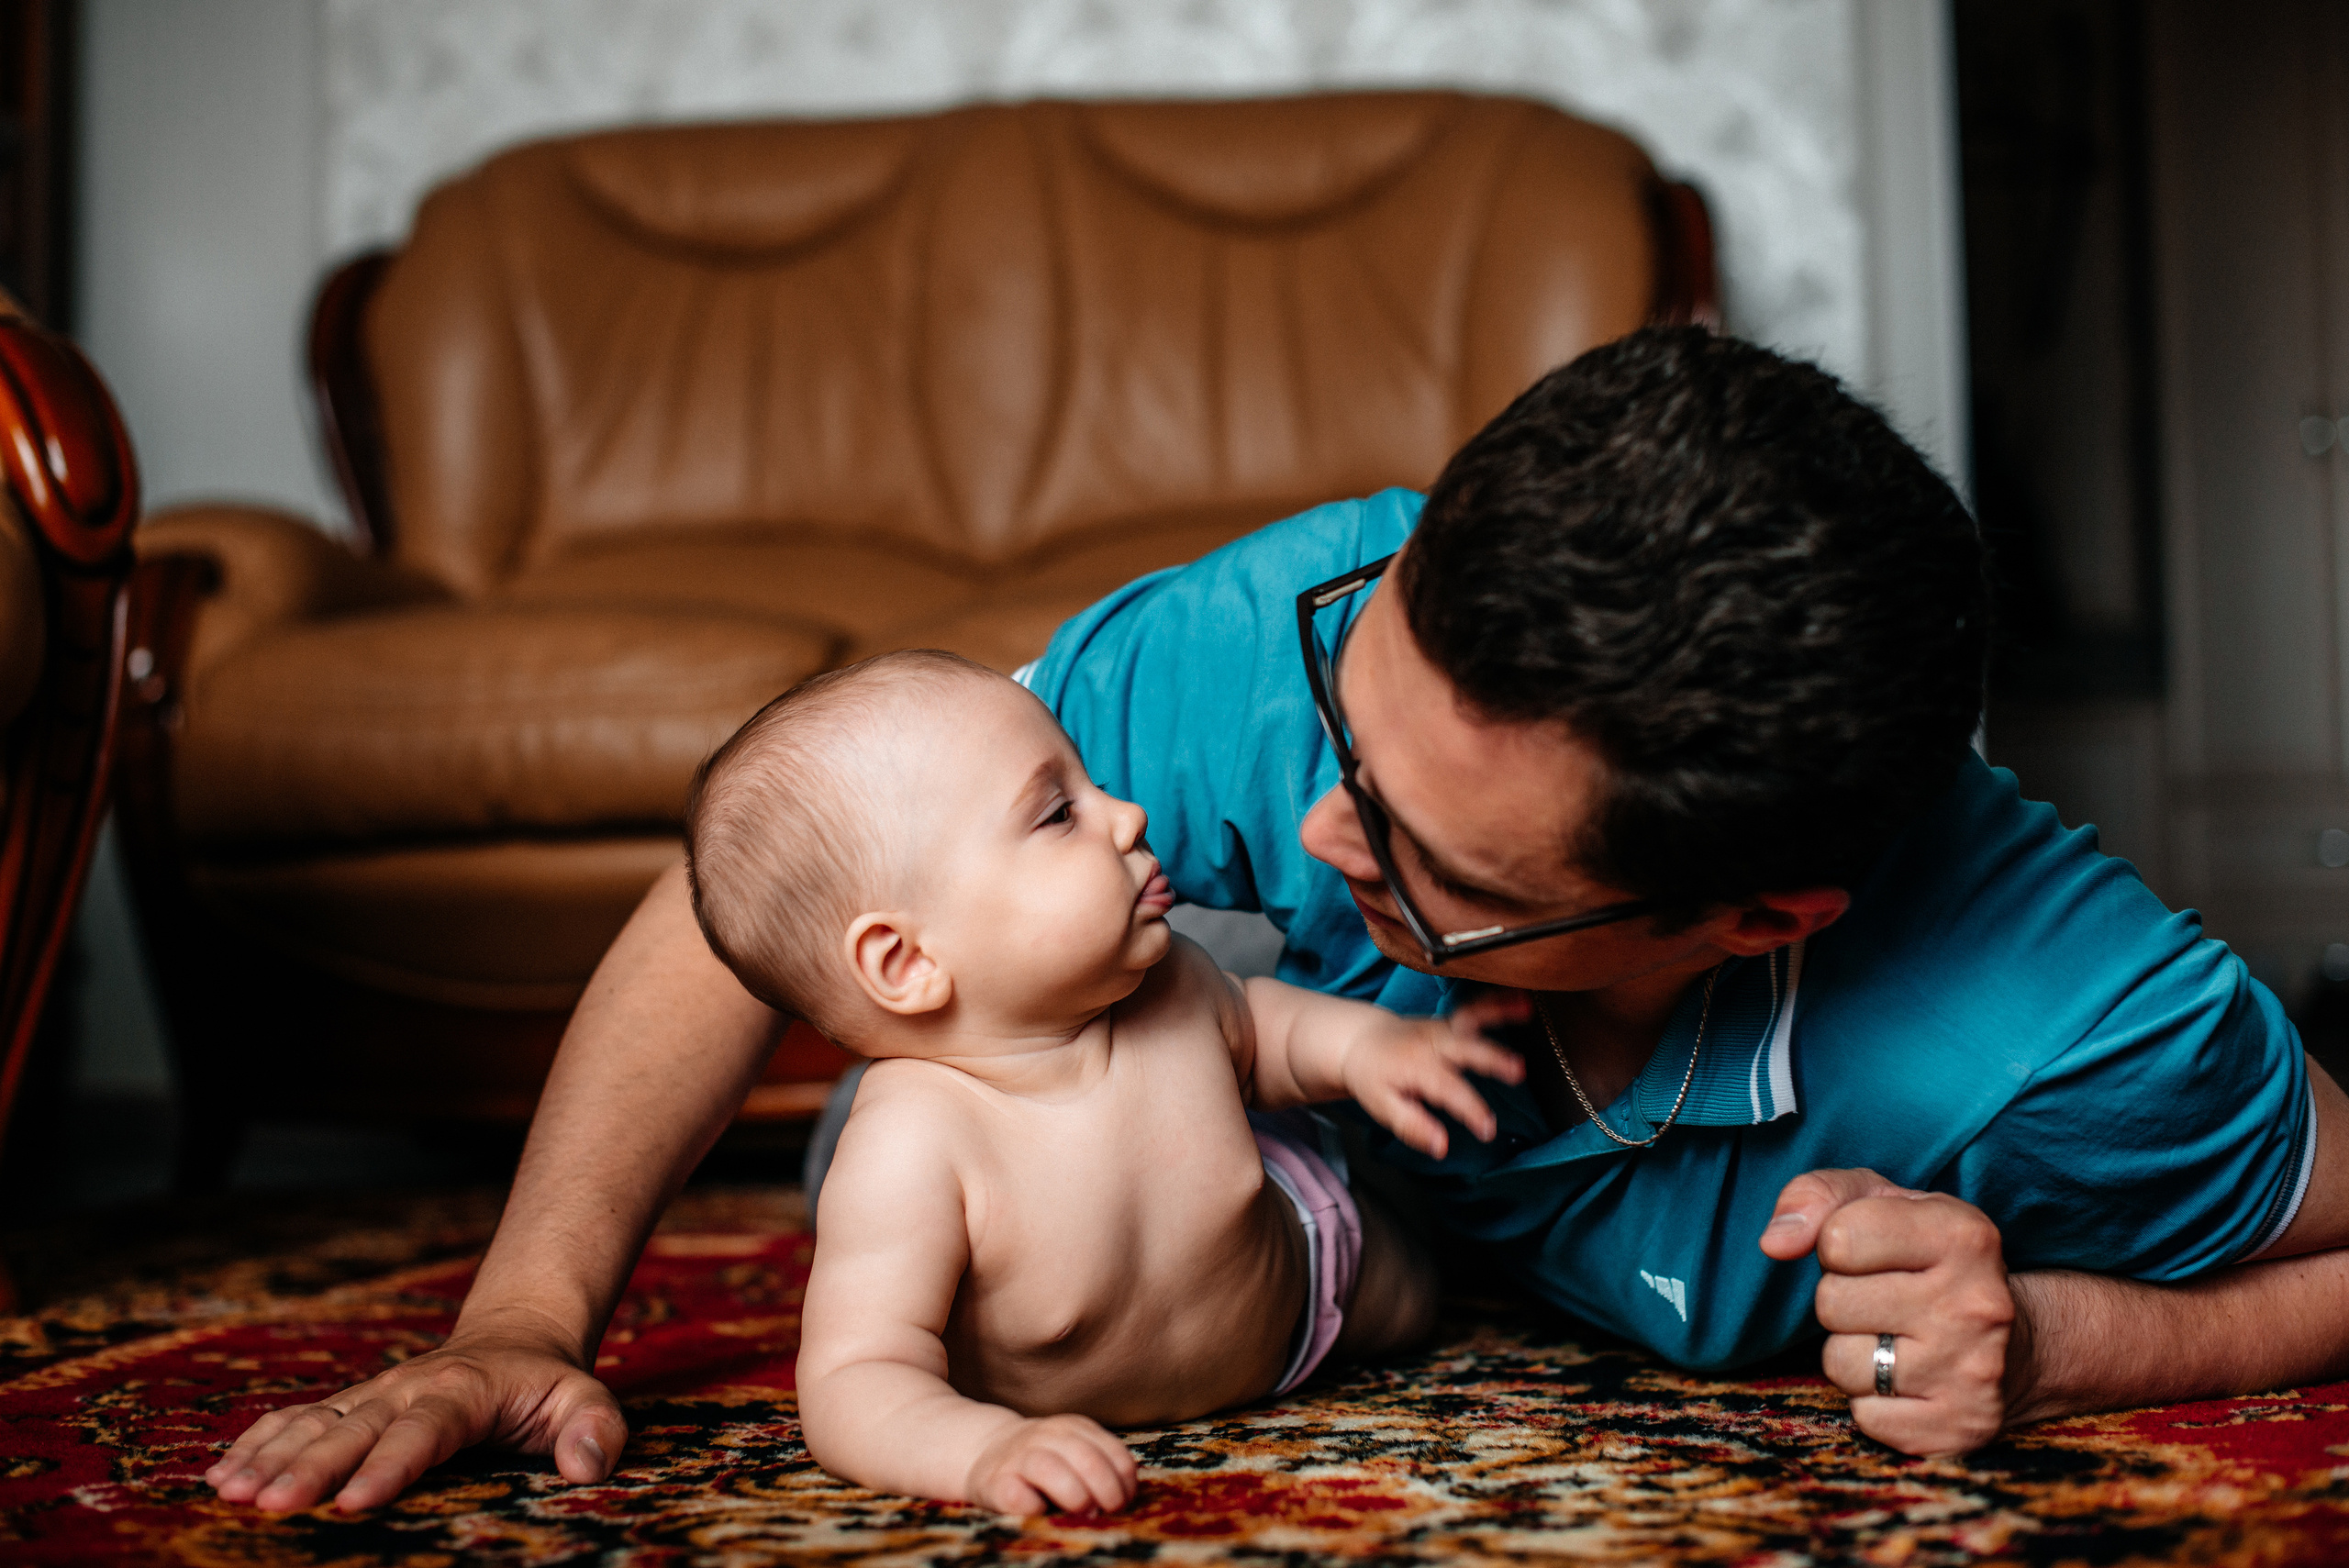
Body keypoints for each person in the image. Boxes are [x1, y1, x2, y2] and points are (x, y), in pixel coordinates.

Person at [204, 328, 2349, 1515]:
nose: (1308, 829)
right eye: (1351, 717)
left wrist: (2085, 1340)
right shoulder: (1291, 634)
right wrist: (523, 1312)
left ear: (1745, 917)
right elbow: (761, 890)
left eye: (1436, 874)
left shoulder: (2060, 1036)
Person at [688, 650, 1522, 1514]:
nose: (1128, 815)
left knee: (1431, 1288)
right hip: (1126, 1380)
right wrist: (982, 1450)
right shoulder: (911, 1146)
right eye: (1060, 813)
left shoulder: (1174, 983)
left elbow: (1269, 1031)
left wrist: (1369, 1050)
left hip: (1309, 1279)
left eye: (1094, 786)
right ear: (906, 960)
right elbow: (856, 1376)